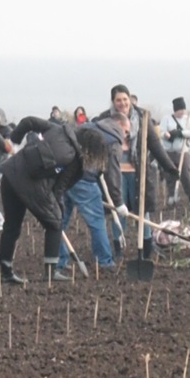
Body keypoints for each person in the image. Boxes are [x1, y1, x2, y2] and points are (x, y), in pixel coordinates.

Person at [0, 116, 111, 284]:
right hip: (32, 185)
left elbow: (29, 122)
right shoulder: (77, 161)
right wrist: (58, 210)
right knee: (55, 224)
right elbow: (59, 189)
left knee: (11, 226)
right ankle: (51, 272)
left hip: (10, 173)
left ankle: (6, 272)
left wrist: (14, 140)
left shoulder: (57, 129)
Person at [96, 84, 180, 259]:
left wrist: (169, 167)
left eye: (125, 99)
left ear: (130, 99)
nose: (122, 103)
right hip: (115, 173)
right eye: (118, 100)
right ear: (113, 101)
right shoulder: (104, 119)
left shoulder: (142, 117)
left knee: (142, 210)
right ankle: (119, 248)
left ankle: (146, 248)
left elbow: (155, 144)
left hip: (138, 172)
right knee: (118, 209)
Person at [57, 113, 129, 272]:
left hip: (63, 175)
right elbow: (113, 173)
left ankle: (58, 260)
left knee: (58, 220)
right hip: (84, 179)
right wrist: (118, 202)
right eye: (126, 131)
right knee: (97, 220)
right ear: (119, 124)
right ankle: (105, 261)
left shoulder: (89, 126)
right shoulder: (113, 140)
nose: (126, 136)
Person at [160, 97, 190, 207]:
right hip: (169, 152)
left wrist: (181, 133)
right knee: (170, 175)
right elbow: (161, 132)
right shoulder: (166, 119)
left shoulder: (188, 120)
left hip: (183, 152)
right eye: (179, 110)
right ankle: (172, 197)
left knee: (186, 175)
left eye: (183, 110)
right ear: (175, 110)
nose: (181, 112)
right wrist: (166, 135)